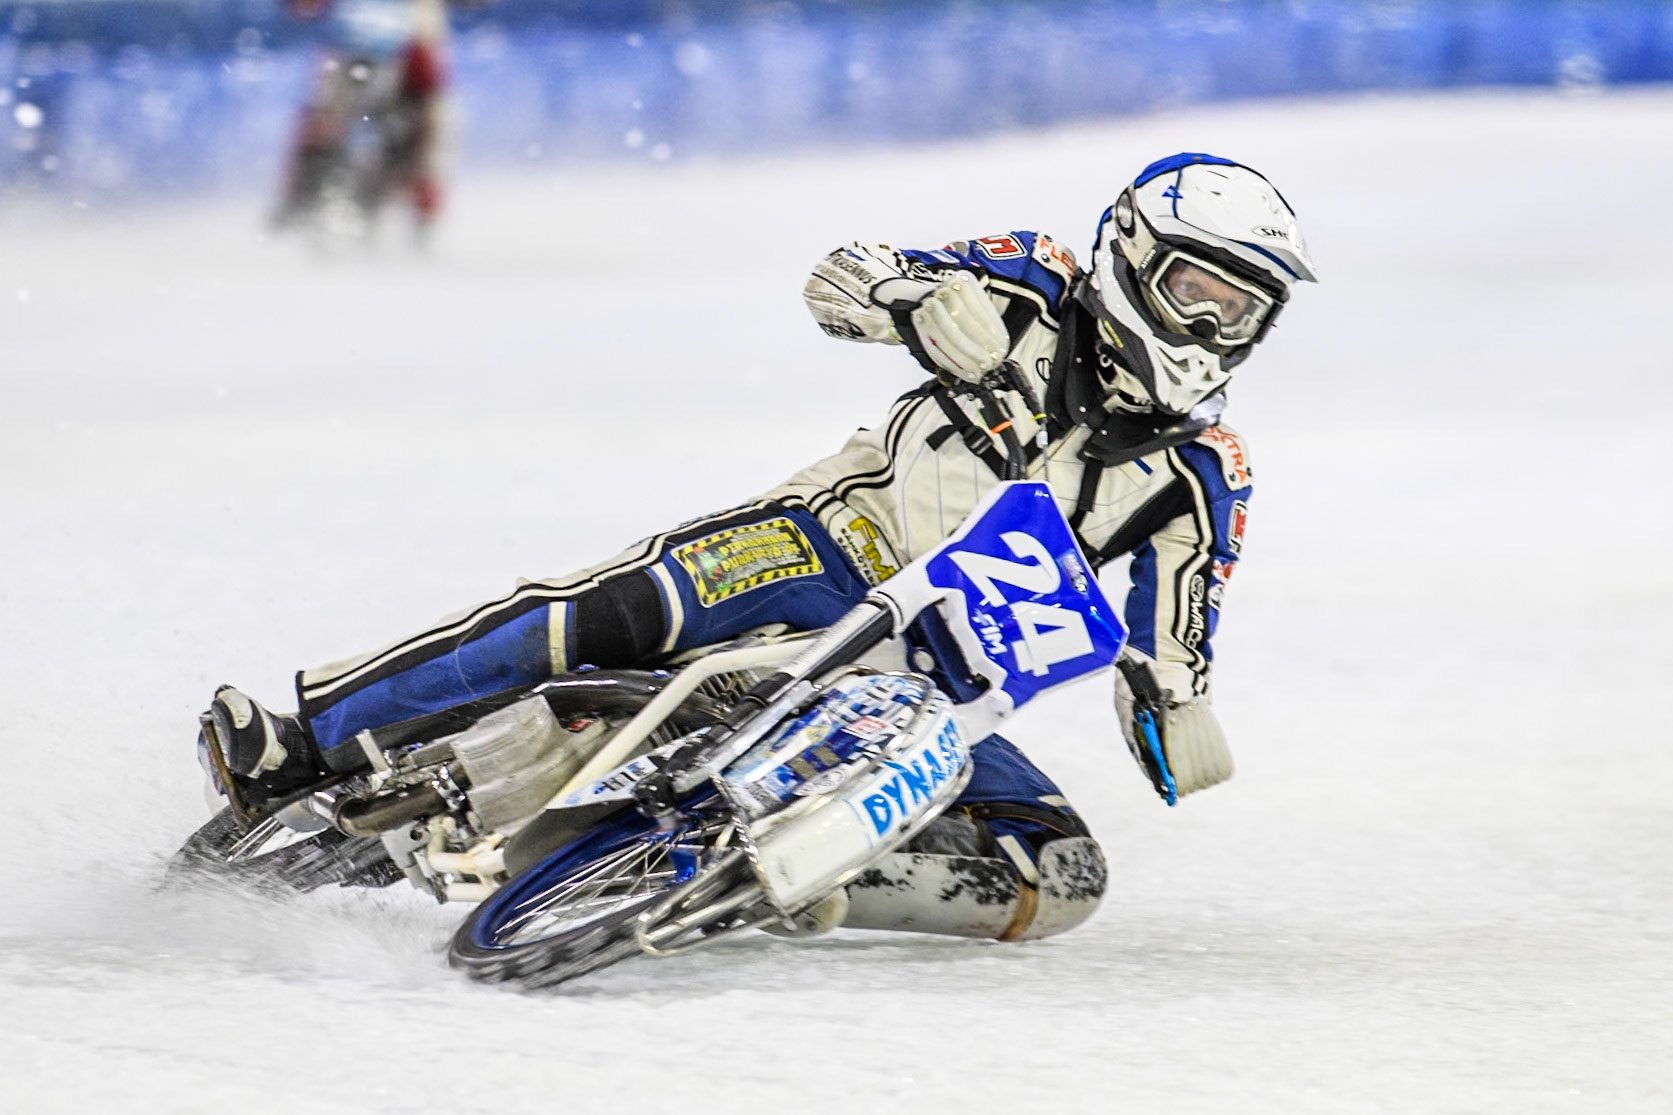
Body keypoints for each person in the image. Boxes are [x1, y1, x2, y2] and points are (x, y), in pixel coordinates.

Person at [203, 152, 1316, 940]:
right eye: (1194, 290)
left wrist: (1172, 702)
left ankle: (791, 877)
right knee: (594, 610)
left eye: (1240, 310)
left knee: (1059, 873)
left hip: (938, 687)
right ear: (1129, 252)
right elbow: (843, 275)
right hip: (823, 545)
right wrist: (914, 299)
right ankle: (301, 746)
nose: (1209, 329)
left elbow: (1178, 628)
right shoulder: (1034, 280)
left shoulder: (1206, 470)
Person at [270, 0, 450, 233]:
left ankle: (423, 210)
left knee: (427, 126)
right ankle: (300, 201)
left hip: (403, 52)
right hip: (351, 50)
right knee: (322, 123)